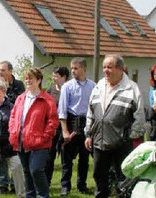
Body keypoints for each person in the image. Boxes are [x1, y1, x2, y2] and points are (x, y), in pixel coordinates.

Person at [84, 55, 146, 198]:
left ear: (120, 69)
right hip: (99, 142)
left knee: (123, 180)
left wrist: (129, 136)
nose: (106, 70)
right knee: (99, 178)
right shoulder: (98, 86)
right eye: (104, 67)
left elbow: (139, 117)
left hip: (121, 144)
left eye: (109, 67)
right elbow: (90, 112)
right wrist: (88, 134)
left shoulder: (131, 89)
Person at [9, 68, 59, 198]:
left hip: (40, 143)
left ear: (39, 80)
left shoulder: (47, 99)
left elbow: (53, 121)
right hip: (21, 141)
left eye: (31, 78)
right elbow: (13, 117)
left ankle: (43, 195)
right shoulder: (20, 98)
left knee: (36, 170)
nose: (28, 81)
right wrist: (12, 132)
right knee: (27, 173)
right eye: (26, 78)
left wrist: (45, 137)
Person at [57, 58, 94, 196]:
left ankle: (82, 185)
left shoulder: (93, 86)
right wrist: (65, 130)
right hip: (71, 121)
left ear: (84, 69)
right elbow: (62, 110)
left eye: (76, 68)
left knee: (84, 157)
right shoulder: (67, 86)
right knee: (67, 157)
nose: (72, 71)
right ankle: (65, 186)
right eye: (72, 68)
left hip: (87, 122)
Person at [0, 61, 24, 192]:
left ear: (10, 71)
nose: (0, 73)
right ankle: (3, 184)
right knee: (1, 156)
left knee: (15, 155)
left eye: (2, 70)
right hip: (0, 125)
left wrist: (7, 91)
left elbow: (20, 103)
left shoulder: (19, 85)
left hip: (15, 126)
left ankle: (14, 184)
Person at [45, 66, 69, 186]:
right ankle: (46, 181)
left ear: (64, 77)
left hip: (65, 127)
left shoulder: (69, 89)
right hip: (52, 127)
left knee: (65, 157)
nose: (53, 78)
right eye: (53, 75)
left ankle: (65, 185)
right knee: (49, 156)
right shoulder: (51, 89)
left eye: (56, 76)